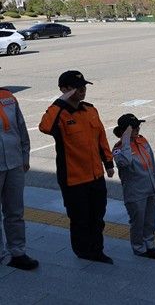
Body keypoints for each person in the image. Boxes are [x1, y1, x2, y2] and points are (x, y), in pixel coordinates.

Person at [39, 71, 115, 263]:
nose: (82, 90)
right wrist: (60, 101)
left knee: (97, 217)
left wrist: (108, 162)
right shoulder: (59, 114)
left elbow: (101, 138)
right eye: (76, 87)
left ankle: (97, 250)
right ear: (64, 90)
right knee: (80, 219)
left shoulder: (90, 110)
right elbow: (45, 127)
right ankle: (83, 252)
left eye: (83, 86)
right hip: (74, 179)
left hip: (96, 176)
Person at [112, 114, 155, 260]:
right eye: (134, 128)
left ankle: (150, 246)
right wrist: (126, 140)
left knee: (150, 221)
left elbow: (151, 161)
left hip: (149, 188)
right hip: (135, 193)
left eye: (137, 126)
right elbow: (125, 162)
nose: (137, 129)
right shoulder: (119, 149)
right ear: (125, 131)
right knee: (138, 222)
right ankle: (139, 248)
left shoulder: (142, 140)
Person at [0, 82, 39, 270]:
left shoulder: (8, 97)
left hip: (14, 163)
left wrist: (25, 155)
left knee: (15, 211)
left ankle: (17, 252)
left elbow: (21, 127)